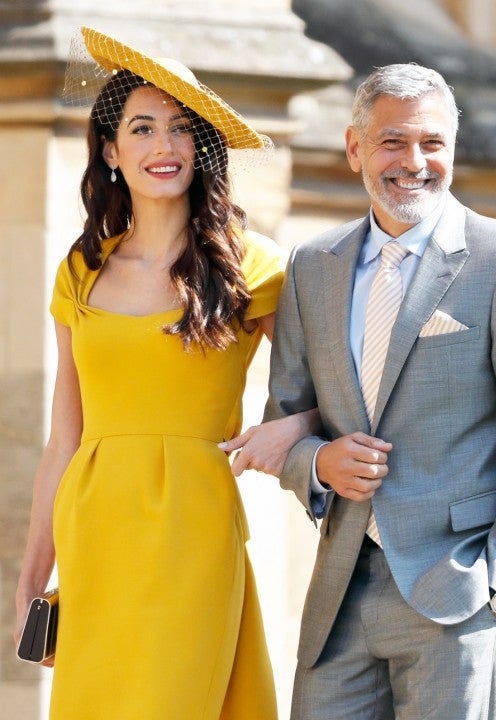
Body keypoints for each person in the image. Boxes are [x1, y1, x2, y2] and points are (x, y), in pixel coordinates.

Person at [250, 63, 496, 719]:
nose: (415, 162)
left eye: (432, 143)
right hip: (339, 597)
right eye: (392, 142)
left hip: (460, 595)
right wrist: (319, 463)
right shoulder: (312, 266)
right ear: (354, 148)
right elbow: (287, 419)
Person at [13, 26, 317, 720]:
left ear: (201, 147)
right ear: (111, 151)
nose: (164, 146)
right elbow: (64, 439)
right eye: (142, 128)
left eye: (181, 129)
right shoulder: (80, 270)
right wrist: (33, 573)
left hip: (194, 531)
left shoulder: (253, 264)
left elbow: (326, 393)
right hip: (94, 537)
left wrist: (286, 428)